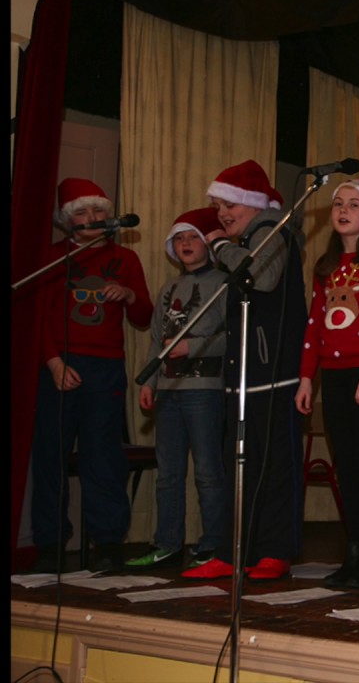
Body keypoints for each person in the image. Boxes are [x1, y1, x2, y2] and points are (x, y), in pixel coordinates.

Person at [183, 160, 307, 581]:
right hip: (240, 376)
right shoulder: (243, 241)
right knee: (235, 465)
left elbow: (263, 276)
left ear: (250, 204)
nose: (221, 214)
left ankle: (275, 550)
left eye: (227, 204)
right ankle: (234, 549)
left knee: (274, 462)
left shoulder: (277, 232)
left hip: (275, 372)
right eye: (217, 206)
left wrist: (219, 246)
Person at [29, 178, 153, 574]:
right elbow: (38, 318)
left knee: (103, 456)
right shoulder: (52, 258)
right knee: (51, 454)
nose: (93, 219)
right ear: (68, 221)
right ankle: (49, 544)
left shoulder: (126, 259)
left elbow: (144, 315)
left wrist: (130, 295)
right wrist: (53, 362)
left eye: (99, 211)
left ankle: (109, 543)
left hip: (106, 366)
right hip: (59, 365)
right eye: (82, 213)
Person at [295, 176, 359, 588]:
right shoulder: (327, 266)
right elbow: (313, 327)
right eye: (339, 203)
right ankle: (353, 549)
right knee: (345, 465)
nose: (343, 209)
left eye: (354, 204)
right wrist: (307, 378)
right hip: (334, 376)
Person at [127, 208, 229, 570]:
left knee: (207, 471)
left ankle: (214, 545)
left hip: (204, 388)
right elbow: (158, 340)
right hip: (168, 389)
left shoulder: (223, 282)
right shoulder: (169, 288)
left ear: (208, 243)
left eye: (193, 237)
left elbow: (234, 336)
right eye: (180, 239)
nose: (186, 244)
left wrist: (195, 345)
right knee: (168, 473)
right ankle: (167, 544)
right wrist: (150, 380)